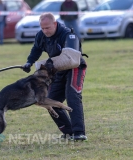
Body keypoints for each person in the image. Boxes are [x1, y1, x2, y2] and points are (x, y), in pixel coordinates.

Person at [22, 12, 87, 141]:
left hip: (74, 67)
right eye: (42, 28)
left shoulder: (68, 35)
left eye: (48, 28)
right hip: (57, 70)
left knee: (72, 96)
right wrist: (29, 62)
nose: (45, 31)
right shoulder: (41, 35)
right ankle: (68, 133)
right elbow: (36, 49)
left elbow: (71, 58)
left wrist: (46, 64)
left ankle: (79, 132)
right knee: (49, 100)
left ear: (55, 24)